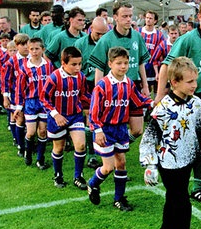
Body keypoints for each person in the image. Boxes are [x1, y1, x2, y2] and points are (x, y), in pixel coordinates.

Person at [140, 57, 201, 229]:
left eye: (195, 80)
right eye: (189, 81)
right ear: (174, 82)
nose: (194, 85)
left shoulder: (197, 103)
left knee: (174, 198)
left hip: (188, 160)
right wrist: (149, 165)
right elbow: (149, 139)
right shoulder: (162, 109)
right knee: (182, 202)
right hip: (168, 163)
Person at [155, 0, 201, 203]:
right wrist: (160, 95)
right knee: (185, 142)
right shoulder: (187, 39)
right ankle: (177, 182)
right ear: (200, 17)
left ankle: (197, 187)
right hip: (187, 101)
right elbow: (166, 65)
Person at [87, 46, 154, 211]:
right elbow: (93, 112)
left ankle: (119, 199)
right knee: (108, 167)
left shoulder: (128, 83)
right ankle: (93, 183)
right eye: (119, 63)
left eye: (126, 63)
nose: (123, 66)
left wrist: (153, 103)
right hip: (105, 130)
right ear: (110, 63)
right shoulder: (102, 86)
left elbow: (138, 100)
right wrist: (98, 130)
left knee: (121, 163)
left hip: (121, 129)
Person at [90, 1, 151, 142]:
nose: (129, 19)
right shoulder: (106, 40)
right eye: (124, 16)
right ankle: (105, 149)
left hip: (133, 86)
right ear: (115, 17)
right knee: (112, 125)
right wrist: (98, 91)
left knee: (137, 130)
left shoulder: (137, 36)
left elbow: (141, 62)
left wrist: (145, 86)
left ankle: (122, 143)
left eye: (130, 16)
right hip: (113, 89)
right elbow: (99, 68)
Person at [41, 46, 91, 189]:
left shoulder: (81, 77)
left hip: (75, 115)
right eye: (73, 64)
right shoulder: (54, 78)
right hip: (57, 117)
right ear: (63, 63)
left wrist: (95, 101)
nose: (77, 67)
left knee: (81, 145)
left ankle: (78, 176)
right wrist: (55, 114)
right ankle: (58, 175)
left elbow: (83, 95)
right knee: (59, 148)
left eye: (80, 64)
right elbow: (44, 99)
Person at [14, 37, 55, 169]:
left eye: (37, 49)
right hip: (31, 103)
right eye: (31, 49)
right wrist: (19, 106)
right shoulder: (24, 68)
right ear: (28, 50)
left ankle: (40, 159)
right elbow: (20, 88)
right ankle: (28, 151)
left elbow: (53, 85)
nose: (34, 51)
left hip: (44, 102)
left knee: (42, 131)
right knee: (31, 132)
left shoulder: (48, 66)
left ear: (42, 49)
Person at [74, 16, 109, 169]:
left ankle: (105, 149)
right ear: (91, 29)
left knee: (104, 117)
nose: (101, 37)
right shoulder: (80, 43)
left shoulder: (108, 41)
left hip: (105, 84)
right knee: (89, 117)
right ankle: (91, 154)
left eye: (104, 34)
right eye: (98, 34)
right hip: (86, 85)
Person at [3, 34, 30, 157]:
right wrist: (5, 96)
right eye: (22, 44)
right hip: (15, 95)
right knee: (18, 117)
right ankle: (20, 145)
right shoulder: (12, 61)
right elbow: (6, 80)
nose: (25, 47)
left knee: (29, 120)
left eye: (27, 44)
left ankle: (28, 142)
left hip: (30, 95)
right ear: (17, 46)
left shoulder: (33, 59)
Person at [138, 10, 165, 97]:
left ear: (155, 21)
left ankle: (155, 107)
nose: (148, 20)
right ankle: (146, 107)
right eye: (147, 18)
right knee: (143, 87)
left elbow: (163, 49)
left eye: (150, 18)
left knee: (157, 87)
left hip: (153, 66)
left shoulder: (159, 34)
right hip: (141, 65)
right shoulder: (138, 32)